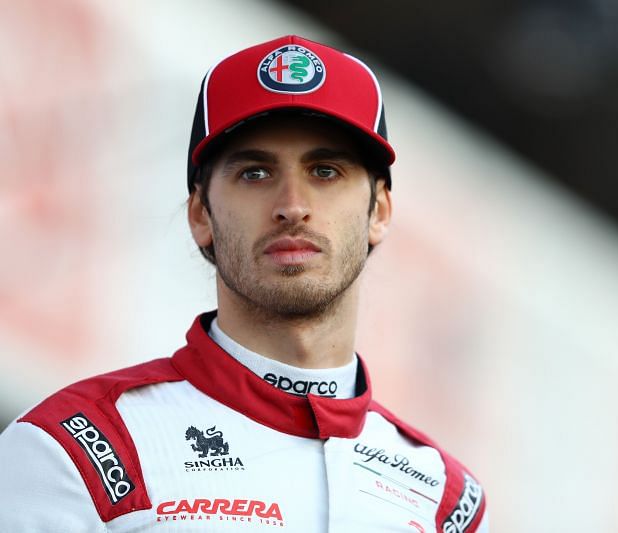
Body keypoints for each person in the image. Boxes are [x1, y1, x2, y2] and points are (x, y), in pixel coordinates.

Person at [0, 35, 488, 532]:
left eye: (325, 171)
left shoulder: (446, 502)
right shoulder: (74, 449)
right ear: (201, 216)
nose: (292, 204)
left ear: (379, 211)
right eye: (255, 173)